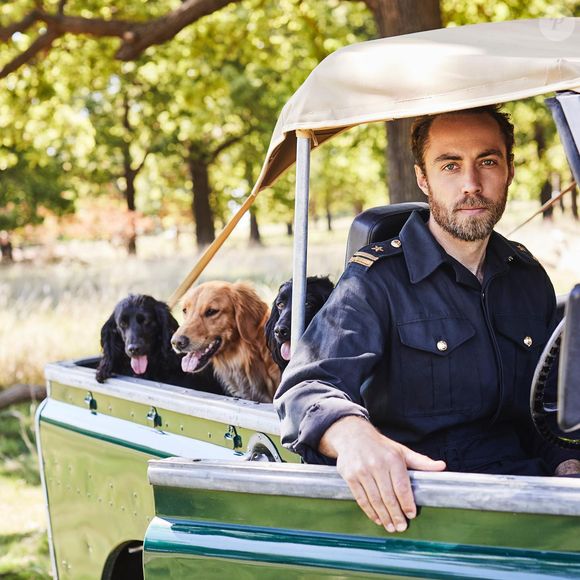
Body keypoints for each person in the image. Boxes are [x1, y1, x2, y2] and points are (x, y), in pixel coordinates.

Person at [274, 105, 580, 534]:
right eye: (450, 165)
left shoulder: (528, 278)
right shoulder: (375, 281)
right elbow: (305, 387)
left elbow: (547, 413)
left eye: (487, 161)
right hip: (427, 514)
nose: (471, 184)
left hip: (534, 503)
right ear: (423, 178)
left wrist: (567, 463)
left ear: (509, 170)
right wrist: (352, 437)